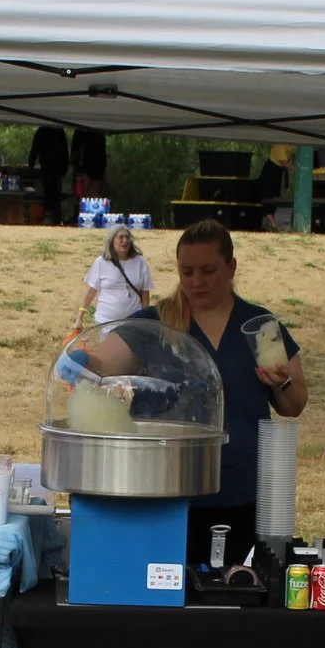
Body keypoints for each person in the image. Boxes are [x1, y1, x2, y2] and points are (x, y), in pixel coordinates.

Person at [131, 219, 305, 560]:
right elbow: (101, 364)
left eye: (208, 271)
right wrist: (84, 365)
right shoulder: (153, 323)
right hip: (169, 490)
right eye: (187, 272)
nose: (196, 281)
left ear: (231, 267)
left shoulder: (260, 326)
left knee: (236, 593)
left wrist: (281, 381)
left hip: (245, 491)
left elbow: (294, 404)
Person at [80, 226, 154, 327]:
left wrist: (145, 320)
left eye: (128, 237)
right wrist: (80, 317)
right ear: (112, 240)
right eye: (121, 237)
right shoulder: (101, 262)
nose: (125, 241)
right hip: (105, 322)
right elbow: (90, 293)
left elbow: (145, 294)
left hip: (133, 323)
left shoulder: (140, 262)